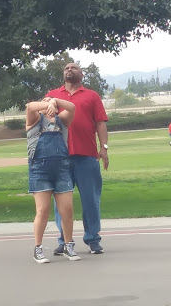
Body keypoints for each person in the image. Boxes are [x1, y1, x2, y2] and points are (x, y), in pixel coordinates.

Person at [46, 62, 109, 256]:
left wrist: (104, 148)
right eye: (66, 68)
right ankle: (64, 240)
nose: (69, 70)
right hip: (60, 157)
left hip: (87, 156)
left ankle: (92, 239)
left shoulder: (91, 96)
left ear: (81, 74)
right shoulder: (53, 95)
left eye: (73, 67)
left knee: (90, 199)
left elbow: (100, 123)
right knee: (61, 202)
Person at [26, 96, 79, 263]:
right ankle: (38, 248)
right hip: (39, 170)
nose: (49, 103)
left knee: (67, 210)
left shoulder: (62, 121)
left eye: (52, 102)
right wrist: (47, 103)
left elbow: (71, 107)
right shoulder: (35, 120)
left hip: (62, 168)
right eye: (45, 100)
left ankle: (68, 245)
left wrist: (55, 101)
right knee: (42, 210)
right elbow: (30, 106)